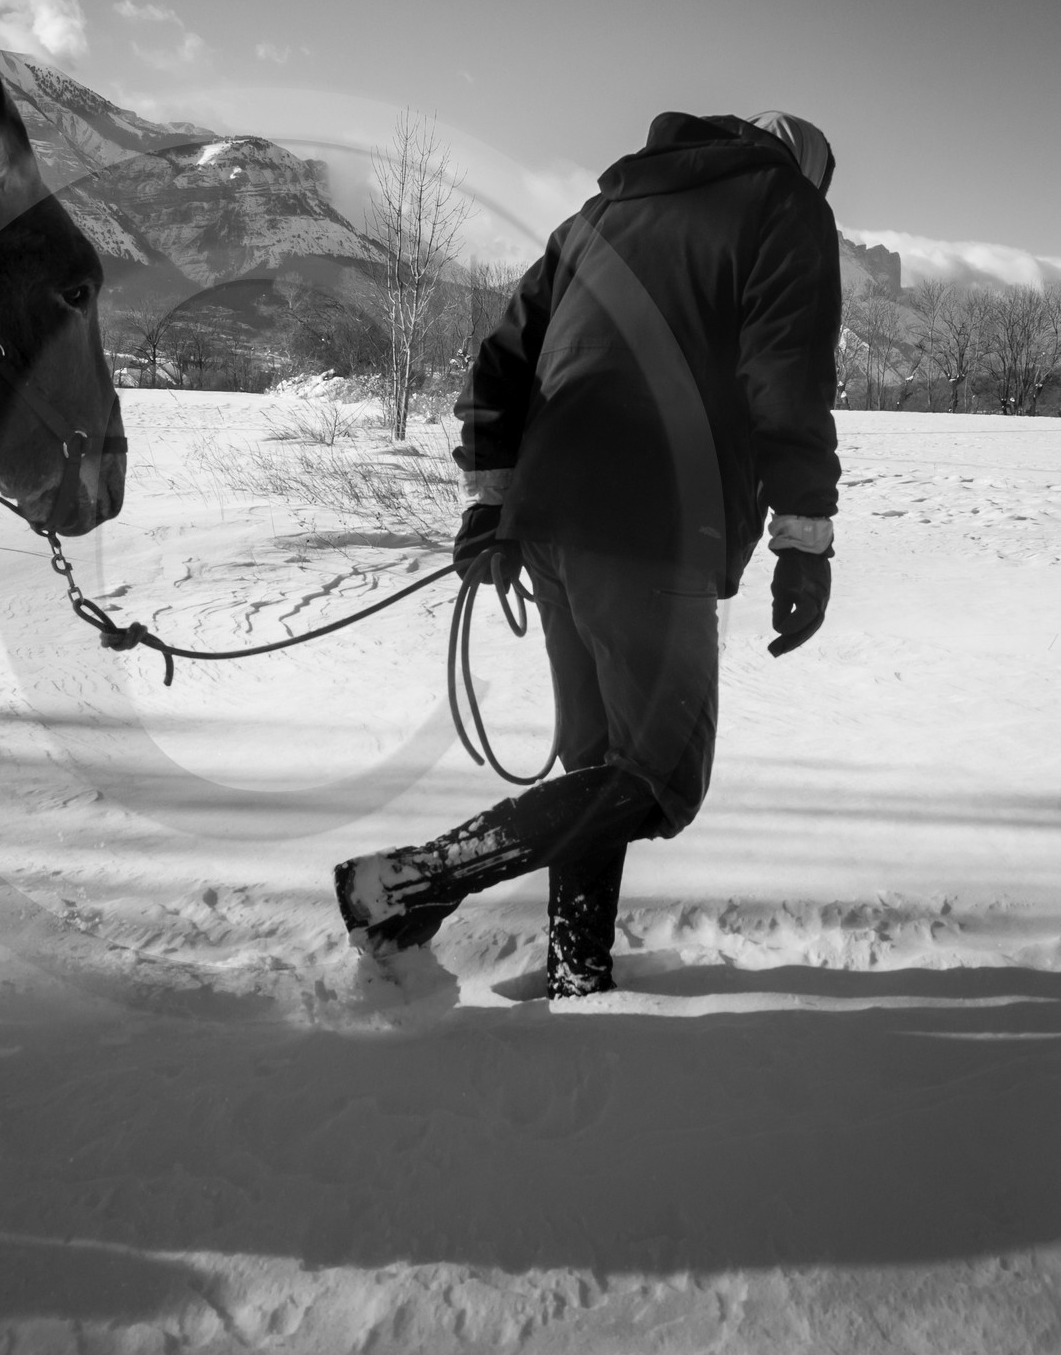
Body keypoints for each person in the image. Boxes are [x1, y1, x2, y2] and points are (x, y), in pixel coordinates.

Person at [334, 111, 842, 999]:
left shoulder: (596, 219)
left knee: (602, 765)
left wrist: (493, 508)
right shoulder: (783, 201)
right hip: (657, 518)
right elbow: (787, 376)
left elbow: (500, 364)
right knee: (657, 781)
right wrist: (804, 540)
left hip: (554, 516)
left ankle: (578, 974)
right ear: (805, 166)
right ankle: (411, 881)